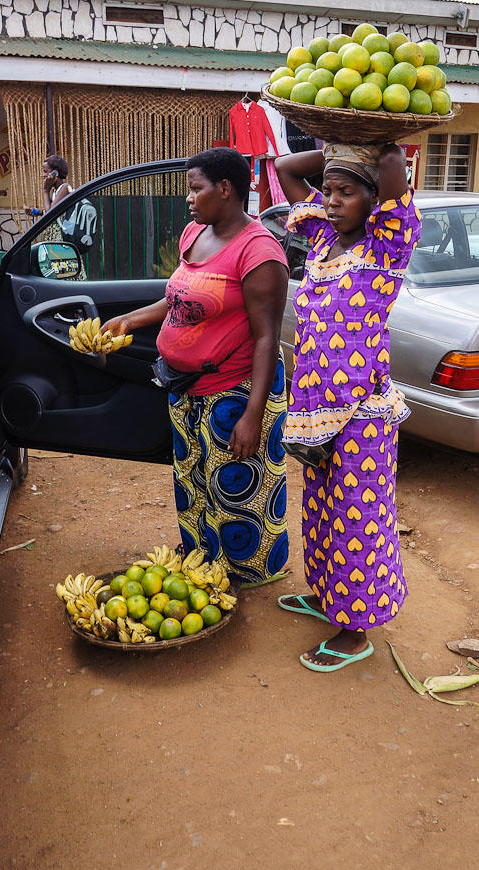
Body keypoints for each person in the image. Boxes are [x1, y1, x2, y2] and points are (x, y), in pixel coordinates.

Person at [102, 147, 290, 587]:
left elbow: (267, 338)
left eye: (195, 188)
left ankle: (247, 575)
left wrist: (253, 414)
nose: (188, 198)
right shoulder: (194, 234)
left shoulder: (259, 252)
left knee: (238, 489)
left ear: (225, 189)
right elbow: (177, 298)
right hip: (185, 387)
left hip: (235, 390)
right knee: (194, 484)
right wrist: (129, 319)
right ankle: (201, 563)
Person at [275, 142, 421, 671]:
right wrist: (333, 148)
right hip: (314, 410)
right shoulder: (320, 239)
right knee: (321, 510)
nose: (332, 201)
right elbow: (286, 168)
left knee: (358, 520)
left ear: (373, 199)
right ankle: (330, 596)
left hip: (362, 411)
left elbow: (392, 168)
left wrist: (367, 141)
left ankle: (356, 630)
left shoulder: (387, 248)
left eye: (346, 192)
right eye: (329, 192)